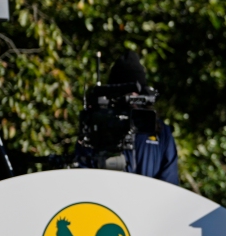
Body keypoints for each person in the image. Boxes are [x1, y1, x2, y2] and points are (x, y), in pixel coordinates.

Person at [74, 51, 179, 184]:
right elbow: (82, 177)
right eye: (124, 96)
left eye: (135, 96)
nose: (130, 102)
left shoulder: (161, 132)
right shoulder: (96, 127)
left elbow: (170, 185)